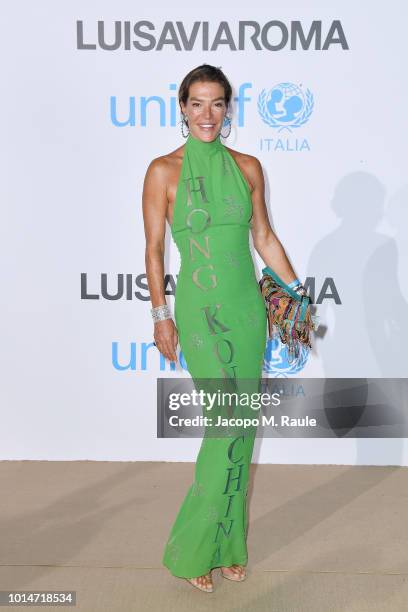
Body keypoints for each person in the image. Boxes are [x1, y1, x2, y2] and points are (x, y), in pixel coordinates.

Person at [142, 64, 305, 593]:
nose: (207, 114)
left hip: (245, 311)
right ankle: (191, 549)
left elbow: (263, 236)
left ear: (228, 109)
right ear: (182, 108)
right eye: (196, 103)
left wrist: (296, 295)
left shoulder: (249, 166)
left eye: (217, 104)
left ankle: (230, 545)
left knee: (243, 428)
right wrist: (160, 314)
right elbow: (153, 250)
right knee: (225, 425)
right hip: (199, 311)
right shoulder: (162, 171)